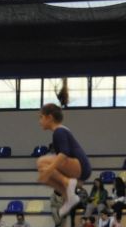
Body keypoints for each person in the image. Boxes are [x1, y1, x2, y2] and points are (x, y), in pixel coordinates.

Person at [37, 80, 92, 218]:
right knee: (45, 176)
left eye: (41, 117)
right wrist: (48, 173)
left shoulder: (59, 131)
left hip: (81, 166)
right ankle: (69, 198)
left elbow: (64, 154)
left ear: (49, 118)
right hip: (77, 168)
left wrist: (50, 170)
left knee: (42, 163)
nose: (39, 121)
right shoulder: (58, 132)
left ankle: (68, 184)